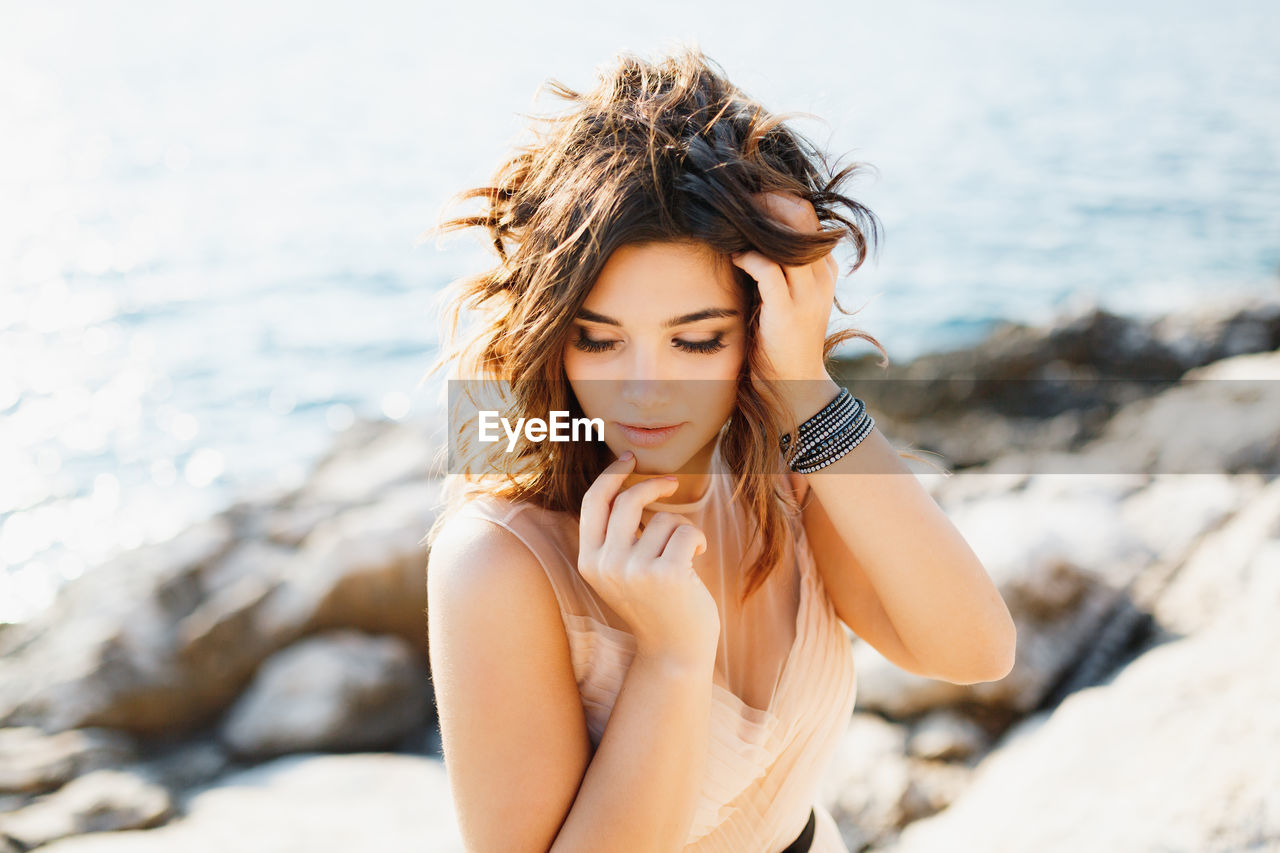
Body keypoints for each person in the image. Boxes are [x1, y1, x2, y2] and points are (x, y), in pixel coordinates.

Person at [420, 43, 1016, 853]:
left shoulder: (782, 464)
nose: (643, 390)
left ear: (757, 329)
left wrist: (805, 385)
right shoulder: (495, 561)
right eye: (598, 341)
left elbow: (975, 649)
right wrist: (671, 657)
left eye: (695, 341)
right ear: (552, 339)